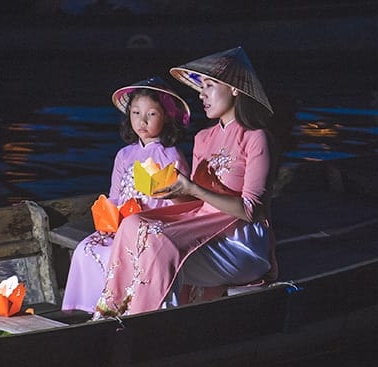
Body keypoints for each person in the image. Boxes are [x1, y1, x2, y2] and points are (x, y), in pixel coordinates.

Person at [94, 47, 277, 317]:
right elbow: (193, 202)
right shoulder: (204, 138)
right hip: (200, 224)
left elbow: (252, 210)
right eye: (201, 86)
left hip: (240, 240)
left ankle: (147, 322)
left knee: (158, 242)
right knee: (133, 224)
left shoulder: (255, 138)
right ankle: (111, 312)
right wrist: (173, 192)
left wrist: (192, 187)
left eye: (209, 85)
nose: (201, 93)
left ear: (235, 89)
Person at [61, 77, 191, 313]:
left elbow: (181, 203)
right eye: (135, 112)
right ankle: (92, 308)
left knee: (120, 254)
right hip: (121, 224)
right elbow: (115, 196)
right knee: (87, 248)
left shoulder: (171, 155)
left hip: (153, 227)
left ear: (166, 116)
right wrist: (106, 218)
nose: (142, 121)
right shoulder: (124, 155)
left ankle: (126, 308)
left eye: (151, 114)